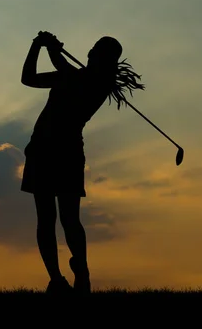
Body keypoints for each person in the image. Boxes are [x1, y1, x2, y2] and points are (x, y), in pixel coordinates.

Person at [20, 31, 145, 295]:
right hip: (43, 149)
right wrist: (38, 47)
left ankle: (81, 273)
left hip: (63, 153)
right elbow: (28, 79)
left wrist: (46, 46)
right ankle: (57, 280)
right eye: (93, 48)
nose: (90, 53)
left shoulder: (95, 82)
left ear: (103, 59)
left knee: (66, 218)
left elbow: (62, 67)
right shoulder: (76, 77)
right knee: (50, 219)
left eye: (97, 50)